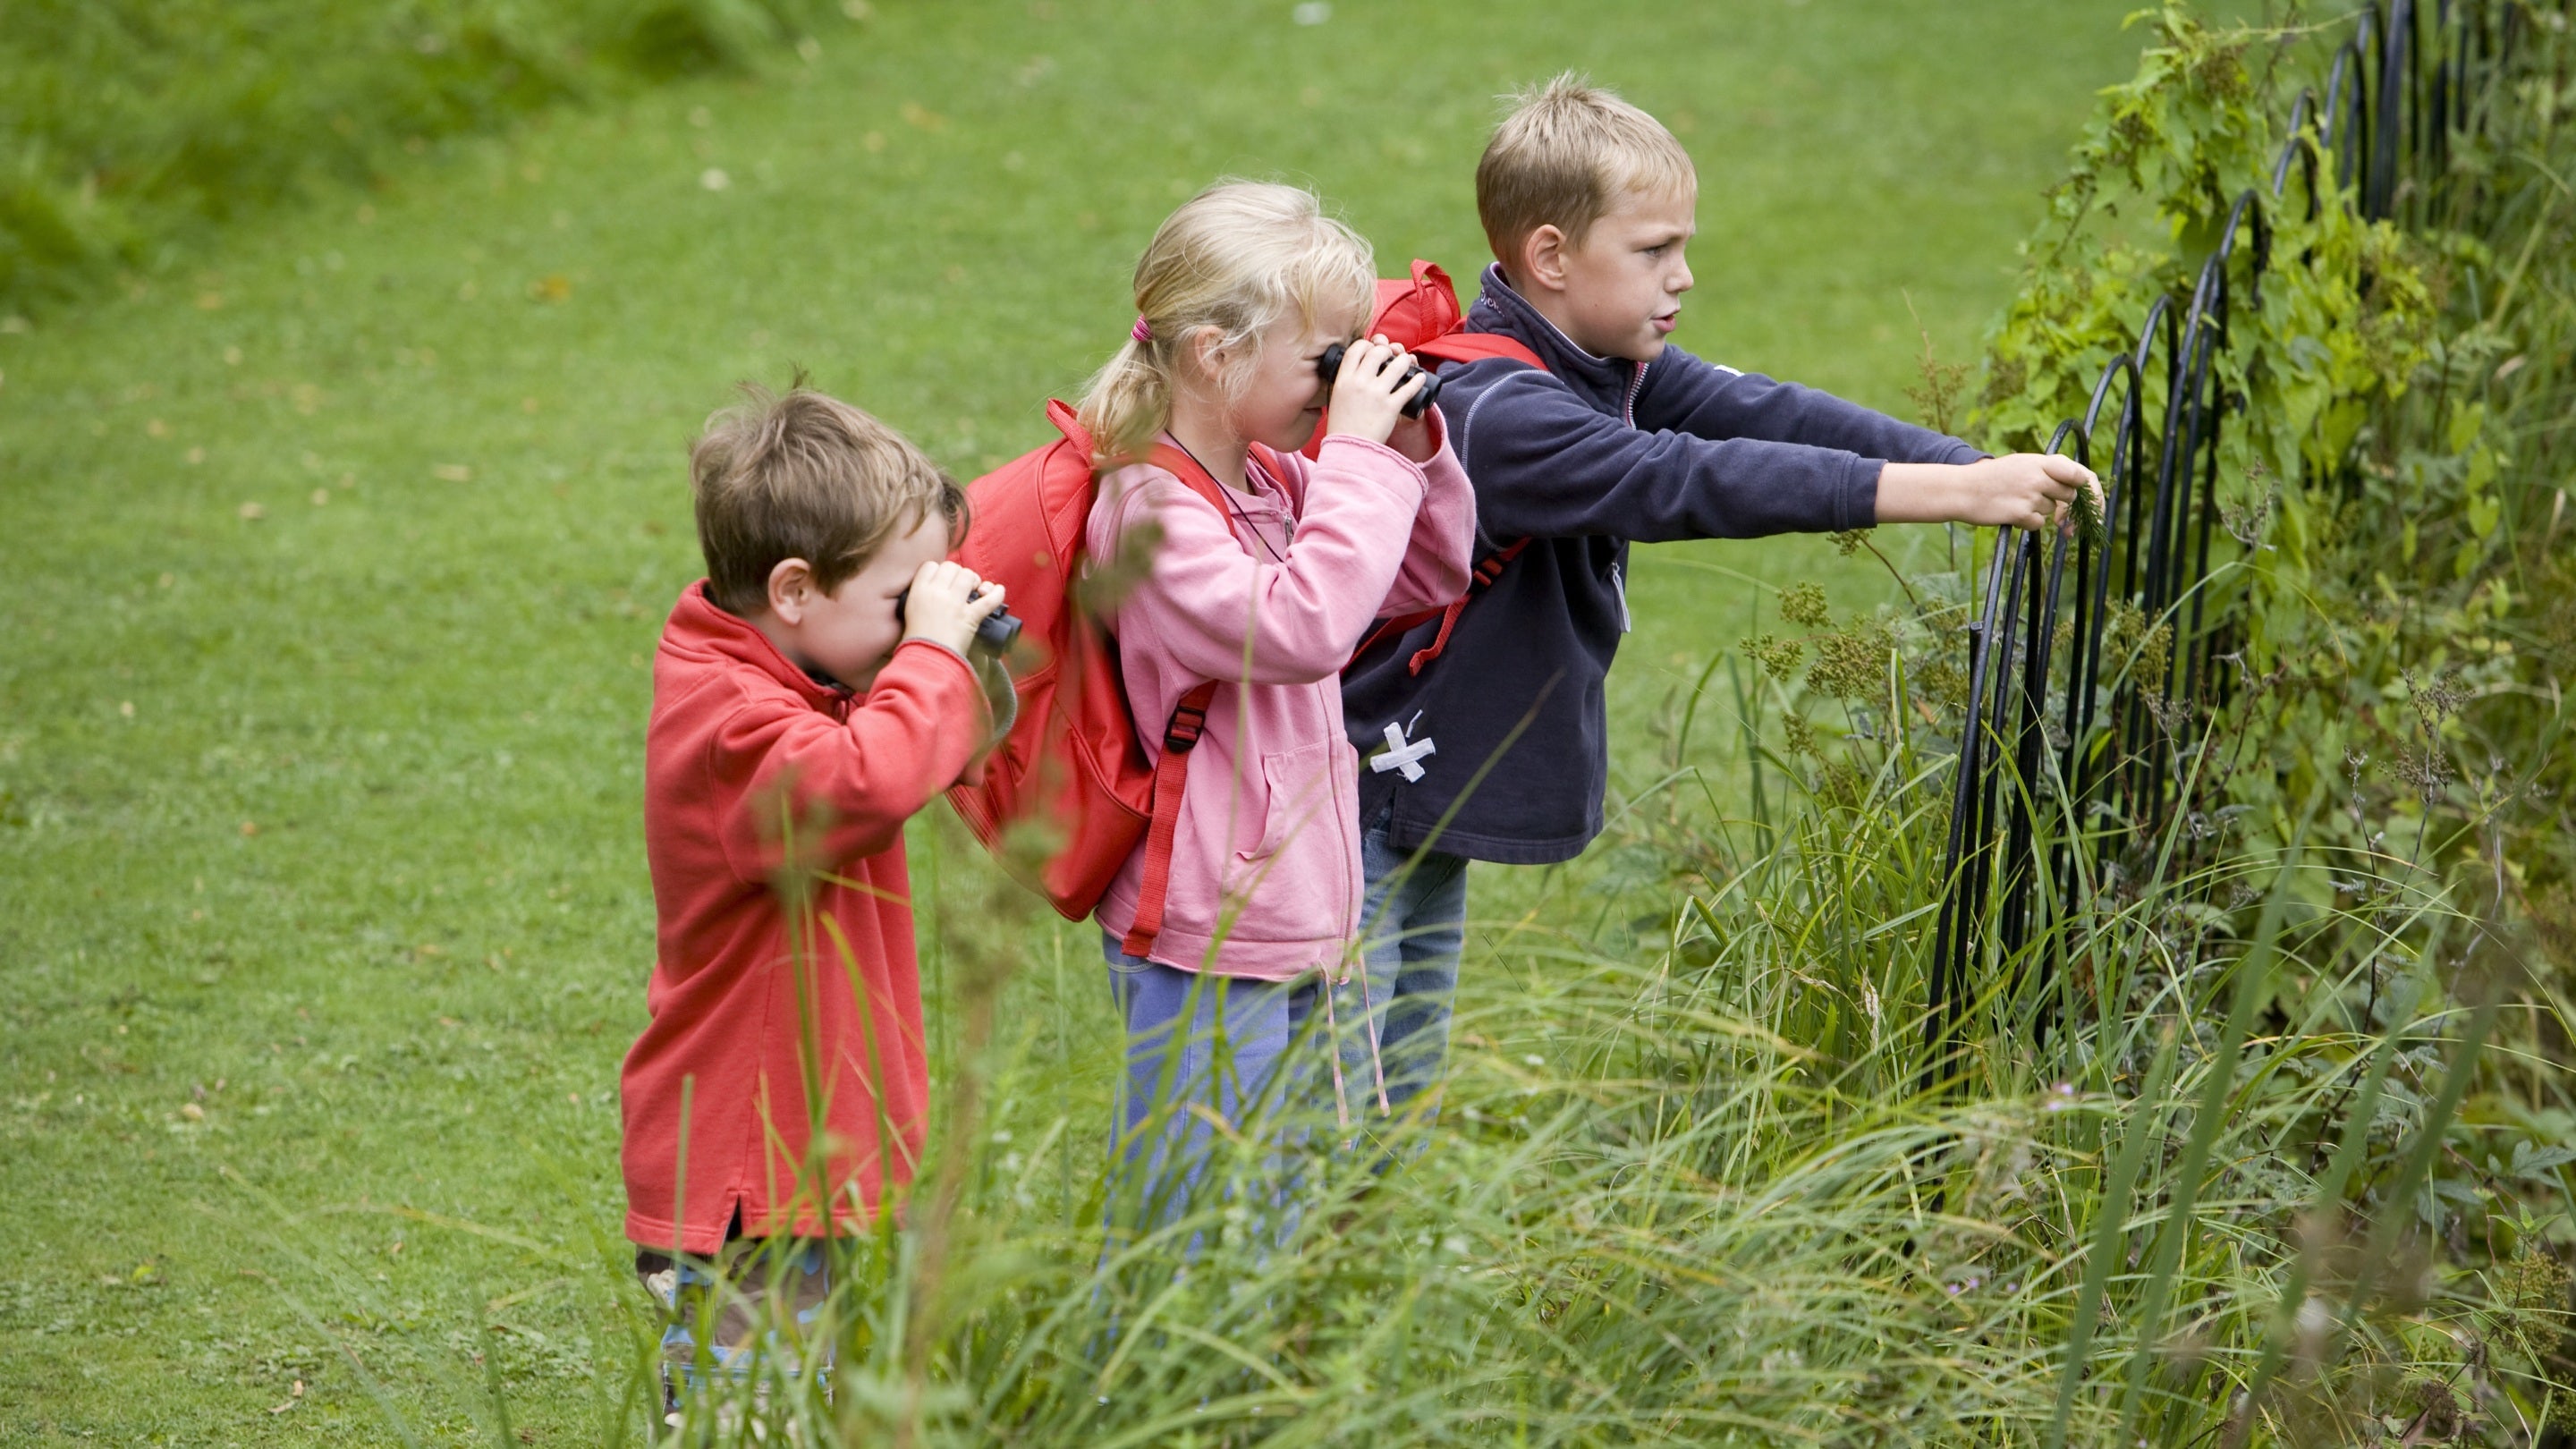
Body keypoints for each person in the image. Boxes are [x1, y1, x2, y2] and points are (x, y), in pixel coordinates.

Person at [1337, 75, 2100, 1118]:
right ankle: (1286, 1266)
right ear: (1551, 257)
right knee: (1336, 1086)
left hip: (1423, 781)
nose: (1682, 277)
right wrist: (1959, 494)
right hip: (1359, 798)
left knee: (1400, 1074)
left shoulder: (1598, 360)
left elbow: (1768, 414)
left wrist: (1965, 462)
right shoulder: (1502, 410)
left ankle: (1363, 1259)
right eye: (1653, 251)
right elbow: (1688, 482)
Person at [1079, 182, 1476, 1231]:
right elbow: (1302, 627)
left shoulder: (1267, 479)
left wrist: (1406, 452)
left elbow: (1419, 578)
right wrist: (1348, 455)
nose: (1345, 379)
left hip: (1292, 909)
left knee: (1283, 1213)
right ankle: (1157, 1399)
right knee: (1203, 1232)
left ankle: (1266, 1394)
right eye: (1327, 356)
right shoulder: (1151, 513)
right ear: (1215, 355)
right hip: (1204, 931)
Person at [621, 382, 1008, 1406]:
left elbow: (928, 749)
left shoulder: (792, 676)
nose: (907, 626)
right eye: (896, 600)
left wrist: (942, 645)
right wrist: (927, 653)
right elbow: (872, 777)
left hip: (811, 1135)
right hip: (755, 1154)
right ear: (793, 590)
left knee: (814, 1385)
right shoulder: (733, 725)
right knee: (748, 1400)